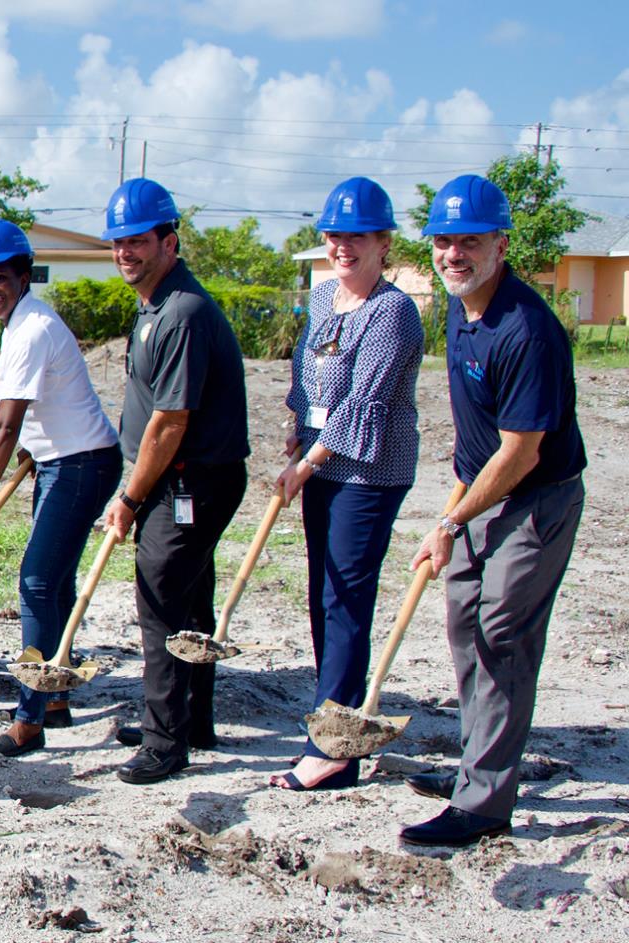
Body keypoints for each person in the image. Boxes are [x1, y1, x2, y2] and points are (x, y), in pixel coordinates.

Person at [399, 174, 585, 847]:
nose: (454, 253)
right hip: (483, 495)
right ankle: (479, 767)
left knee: (502, 633)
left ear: (501, 244)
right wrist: (459, 499)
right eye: (443, 241)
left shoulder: (526, 329)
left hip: (537, 498)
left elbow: (522, 452)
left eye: (469, 241)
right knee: (462, 622)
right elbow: (476, 425)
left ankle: (484, 804)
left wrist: (450, 521)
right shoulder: (457, 309)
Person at [96, 178, 250, 785]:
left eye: (138, 241)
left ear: (170, 241)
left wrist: (131, 496)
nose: (125, 252)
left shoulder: (182, 310)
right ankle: (191, 719)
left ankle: (165, 743)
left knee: (161, 604)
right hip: (174, 480)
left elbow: (171, 420)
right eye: (118, 243)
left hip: (188, 482)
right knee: (190, 601)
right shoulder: (155, 304)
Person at [270, 177, 423, 791]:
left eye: (356, 236)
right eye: (334, 235)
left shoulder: (393, 312)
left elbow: (364, 404)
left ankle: (333, 748)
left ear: (384, 242)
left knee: (345, 596)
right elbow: (307, 378)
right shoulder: (323, 298)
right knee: (322, 591)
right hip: (321, 463)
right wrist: (294, 432)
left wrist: (305, 465)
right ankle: (335, 715)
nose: (342, 246)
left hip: (369, 470)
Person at [0, 219, 121, 758]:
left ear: (24, 274)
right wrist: (34, 448)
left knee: (35, 582)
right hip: (59, 460)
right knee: (54, 582)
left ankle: (30, 720)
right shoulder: (18, 322)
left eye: (0, 276)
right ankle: (55, 696)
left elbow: (4, 425)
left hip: (82, 466)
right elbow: (37, 412)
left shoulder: (30, 329)